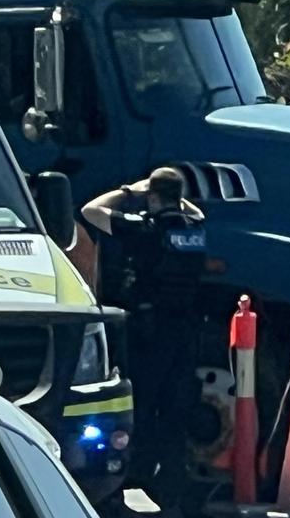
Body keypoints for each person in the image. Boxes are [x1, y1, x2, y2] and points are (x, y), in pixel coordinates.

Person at [82, 168, 206, 517]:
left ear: (152, 196)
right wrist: (167, 197)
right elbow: (196, 212)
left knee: (138, 408)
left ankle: (123, 486)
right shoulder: (195, 231)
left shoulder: (144, 228)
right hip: (184, 334)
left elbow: (91, 211)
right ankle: (173, 497)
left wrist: (128, 190)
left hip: (148, 333)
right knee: (174, 412)